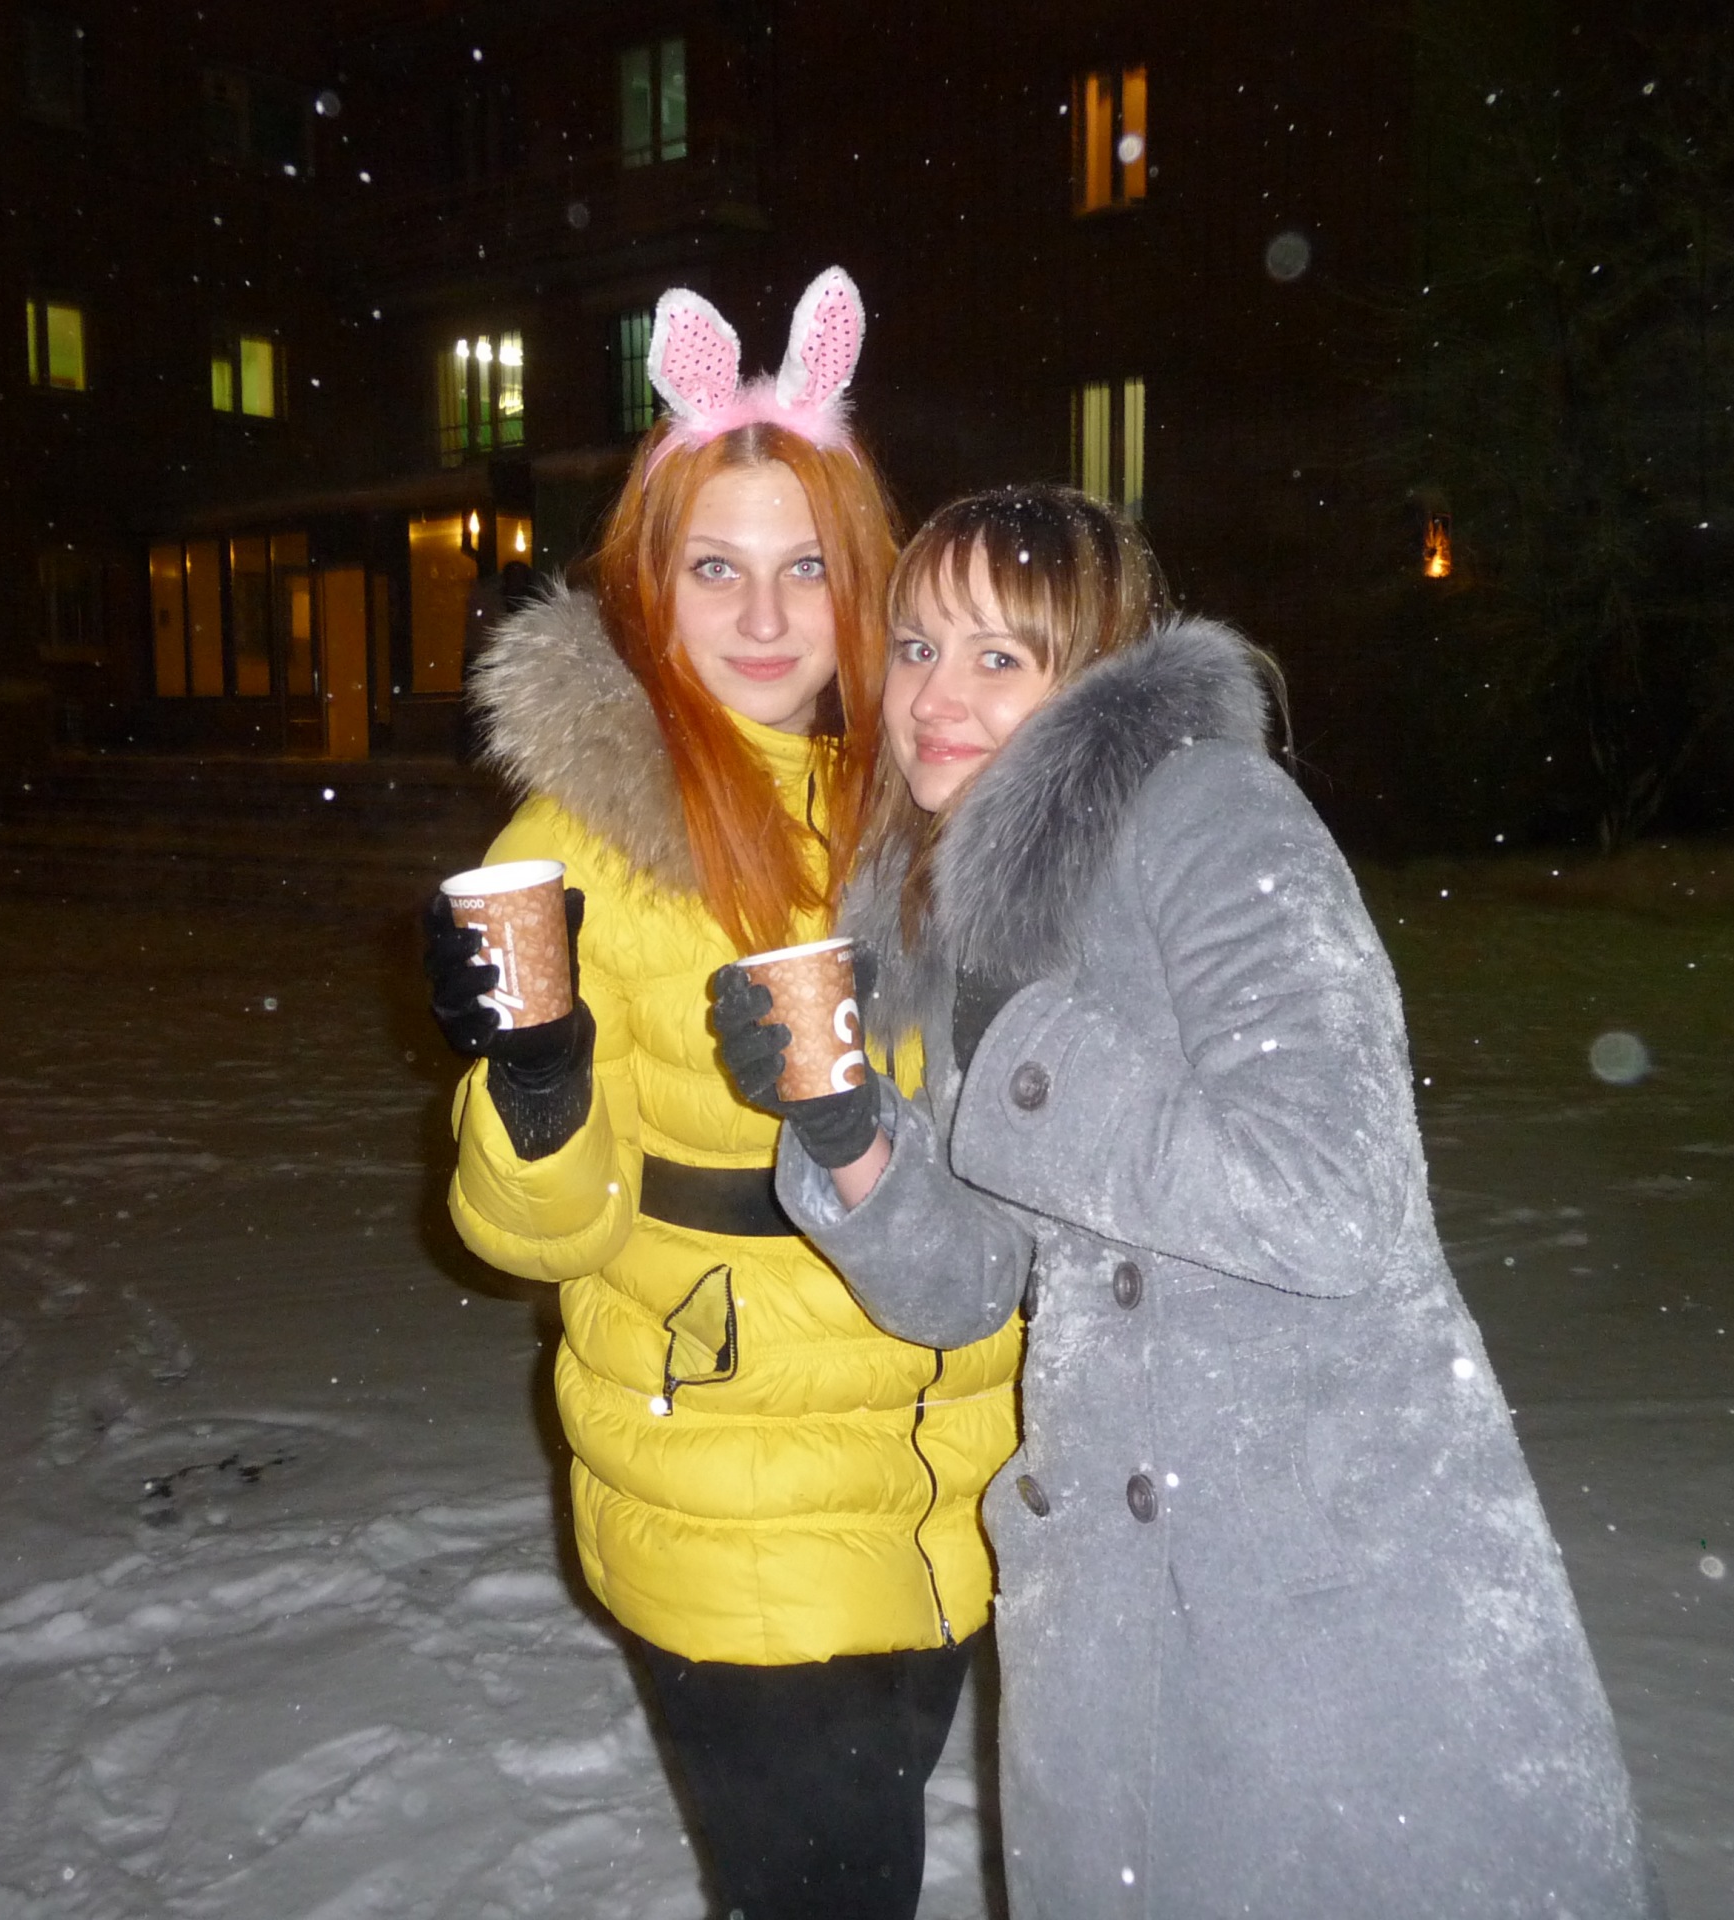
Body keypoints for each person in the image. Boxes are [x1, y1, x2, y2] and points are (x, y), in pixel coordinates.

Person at [713, 486, 1662, 1918]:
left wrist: (1024, 1048)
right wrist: (848, 1129)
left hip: (1324, 1590)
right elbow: (971, 1287)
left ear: (1096, 673)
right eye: (915, 648)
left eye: (999, 656)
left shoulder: (1214, 813)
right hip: (1115, 1608)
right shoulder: (977, 896)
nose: (934, 699)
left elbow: (1334, 1194)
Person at [423, 273, 1021, 1920]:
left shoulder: (922, 792)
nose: (764, 616)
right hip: (731, 1471)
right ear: (650, 583)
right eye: (715, 567)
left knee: (867, 1863)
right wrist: (536, 1088)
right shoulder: (579, 839)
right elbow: (532, 1237)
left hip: (948, 1459)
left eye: (805, 565)